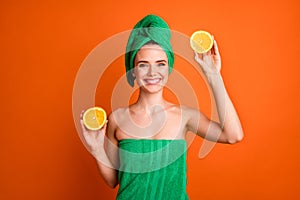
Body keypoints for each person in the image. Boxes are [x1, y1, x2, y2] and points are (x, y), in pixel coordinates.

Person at [80, 14, 244, 200]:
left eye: (161, 64)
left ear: (168, 68)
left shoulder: (185, 117)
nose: (152, 73)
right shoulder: (117, 119)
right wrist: (96, 149)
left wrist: (213, 75)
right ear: (133, 70)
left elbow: (233, 135)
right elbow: (113, 180)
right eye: (143, 65)